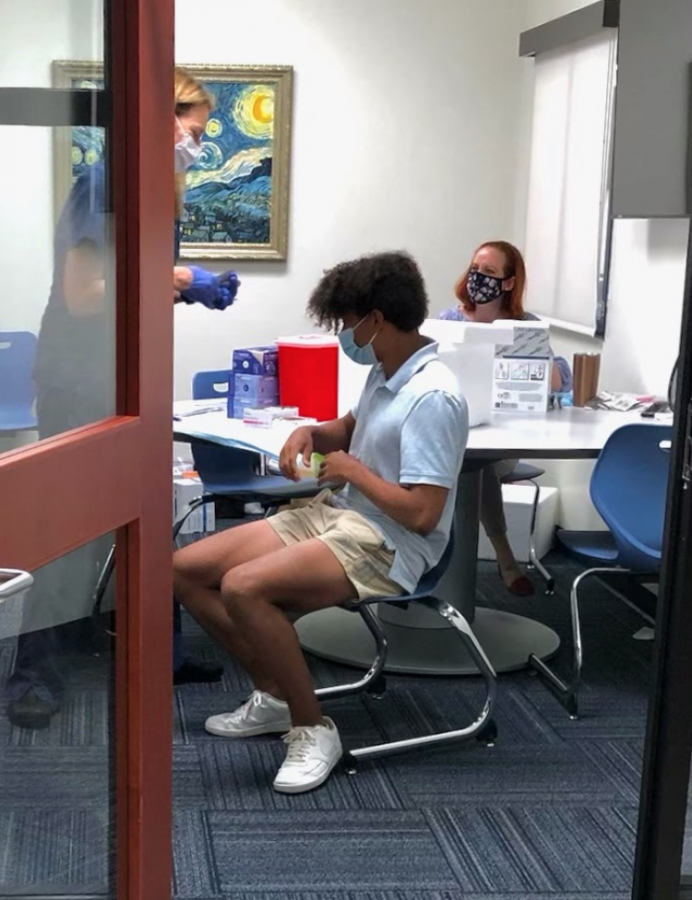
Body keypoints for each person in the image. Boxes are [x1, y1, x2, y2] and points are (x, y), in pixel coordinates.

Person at [173, 251, 468, 794]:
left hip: (391, 541)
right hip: (342, 514)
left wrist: (353, 469)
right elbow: (350, 427)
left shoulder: (434, 397)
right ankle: (276, 695)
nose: (344, 335)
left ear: (375, 319)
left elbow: (424, 516)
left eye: (347, 322)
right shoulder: (388, 372)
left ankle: (313, 727)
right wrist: (310, 433)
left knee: (244, 587)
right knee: (187, 569)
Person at [6, 67, 238, 730]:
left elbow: (133, 289)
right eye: (191, 129)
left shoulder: (152, 192)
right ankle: (33, 674)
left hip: (130, 375)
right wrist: (182, 279)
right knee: (69, 526)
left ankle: (157, 653)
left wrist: (174, 283)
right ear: (158, 119)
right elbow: (86, 297)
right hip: (81, 376)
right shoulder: (100, 186)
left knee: (147, 515)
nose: (196, 142)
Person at [438, 240, 572, 597]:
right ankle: (505, 558)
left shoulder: (525, 326)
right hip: (454, 429)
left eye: (490, 273)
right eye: (475, 269)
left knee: (478, 465)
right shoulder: (449, 320)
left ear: (509, 283)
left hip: (504, 437)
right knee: (472, 463)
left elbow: (563, 379)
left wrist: (532, 355)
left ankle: (501, 557)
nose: (478, 278)